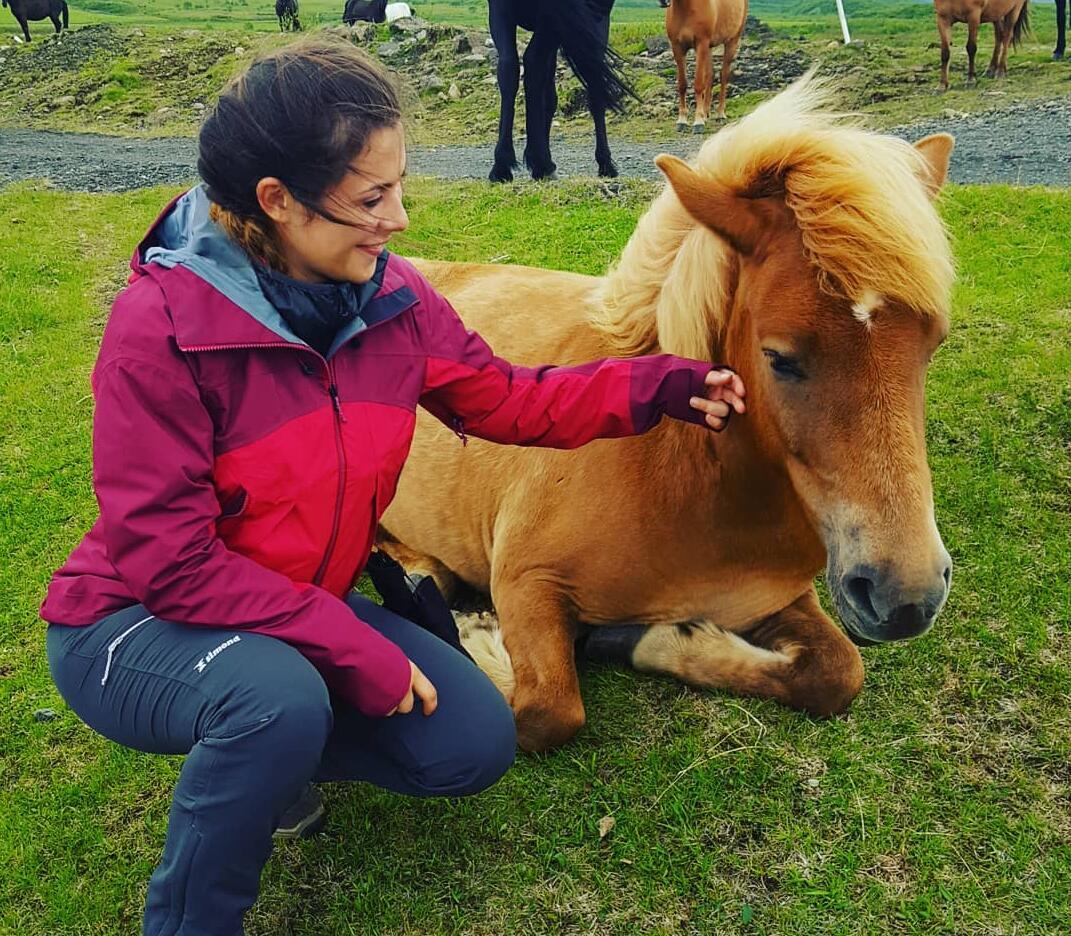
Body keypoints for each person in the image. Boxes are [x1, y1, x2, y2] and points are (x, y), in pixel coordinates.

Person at [39, 37, 747, 936]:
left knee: (471, 744)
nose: (400, 219)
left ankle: (265, 749)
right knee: (277, 702)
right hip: (133, 620)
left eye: (399, 186)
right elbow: (168, 563)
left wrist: (661, 386)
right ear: (277, 203)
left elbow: (511, 401)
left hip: (289, 606)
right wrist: (345, 639)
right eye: (372, 198)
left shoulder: (393, 302)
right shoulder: (164, 329)